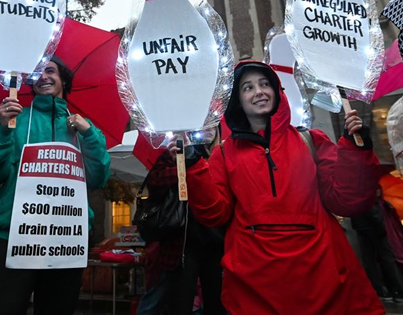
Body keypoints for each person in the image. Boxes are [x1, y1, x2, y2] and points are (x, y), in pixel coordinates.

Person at [184, 61, 383, 314]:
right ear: (237, 100)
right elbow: (215, 213)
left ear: (277, 91)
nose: (259, 92)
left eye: (265, 84)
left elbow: (347, 200)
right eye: (248, 87)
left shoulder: (310, 140)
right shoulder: (223, 153)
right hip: (255, 282)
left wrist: (358, 149)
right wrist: (192, 165)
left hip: (323, 275)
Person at [0, 57, 111, 315]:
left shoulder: (84, 127)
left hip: (66, 243)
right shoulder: (13, 119)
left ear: (64, 79)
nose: (43, 76)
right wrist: (2, 131)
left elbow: (98, 178)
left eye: (50, 70)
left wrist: (88, 134)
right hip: (14, 239)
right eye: (36, 73)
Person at [144, 144, 224, 315]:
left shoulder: (222, 154)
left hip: (216, 242)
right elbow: (154, 183)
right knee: (179, 304)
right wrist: (181, 164)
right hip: (181, 245)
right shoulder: (174, 152)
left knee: (216, 304)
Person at [351, 189, 403, 305]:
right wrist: (381, 226)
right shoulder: (366, 189)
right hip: (374, 227)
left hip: (361, 227)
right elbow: (371, 210)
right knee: (387, 259)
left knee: (370, 260)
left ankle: (380, 289)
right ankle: (400, 290)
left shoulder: (354, 190)